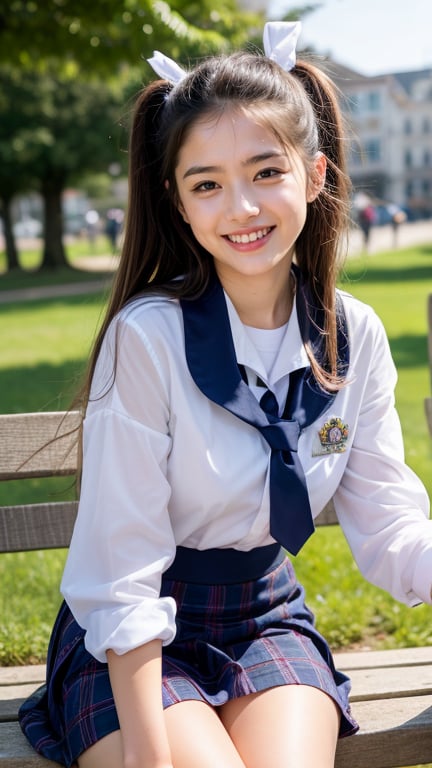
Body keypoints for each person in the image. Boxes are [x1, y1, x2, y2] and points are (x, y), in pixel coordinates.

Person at [19, 21, 431, 768]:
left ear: (314, 175)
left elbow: (392, 526)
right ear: (179, 203)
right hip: (132, 643)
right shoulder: (148, 338)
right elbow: (121, 572)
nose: (240, 207)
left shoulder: (353, 334)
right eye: (206, 183)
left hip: (265, 616)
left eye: (265, 171)